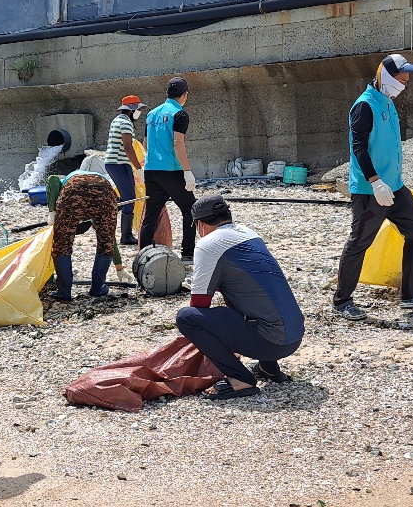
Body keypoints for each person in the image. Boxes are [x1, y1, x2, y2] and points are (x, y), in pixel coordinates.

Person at [333, 54, 413, 320]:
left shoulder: (389, 103)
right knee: (360, 242)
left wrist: (389, 183)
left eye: (407, 78)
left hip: (395, 187)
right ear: (384, 75)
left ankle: (411, 294)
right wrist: (375, 181)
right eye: (401, 77)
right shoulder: (364, 106)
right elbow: (358, 149)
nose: (405, 82)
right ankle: (342, 301)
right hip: (370, 190)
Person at [175, 195, 303, 400]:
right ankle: (269, 367)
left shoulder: (208, 244)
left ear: (200, 224)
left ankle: (240, 379)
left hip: (272, 341)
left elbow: (199, 303)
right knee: (248, 299)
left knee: (187, 317)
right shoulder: (249, 233)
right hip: (294, 336)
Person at [45, 157, 130, 301]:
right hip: (105, 192)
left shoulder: (71, 176)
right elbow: (110, 240)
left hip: (74, 191)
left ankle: (64, 291)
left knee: (62, 244)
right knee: (106, 241)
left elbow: (52, 180)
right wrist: (119, 267)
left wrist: (52, 211)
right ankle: (97, 288)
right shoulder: (102, 177)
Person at [139, 77, 198, 263]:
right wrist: (187, 171)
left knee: (151, 215)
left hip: (151, 170)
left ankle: (144, 256)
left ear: (167, 94)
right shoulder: (179, 114)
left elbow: (145, 144)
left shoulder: (151, 114)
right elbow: (178, 142)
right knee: (190, 209)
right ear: (185, 95)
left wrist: (146, 165)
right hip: (172, 171)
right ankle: (188, 254)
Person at [103, 95, 146, 246]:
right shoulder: (126, 123)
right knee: (129, 198)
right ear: (132, 110)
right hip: (118, 164)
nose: (139, 113)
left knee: (125, 197)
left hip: (116, 163)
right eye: (138, 110)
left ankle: (104, 220)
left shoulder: (117, 120)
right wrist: (139, 169)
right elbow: (128, 147)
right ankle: (126, 236)